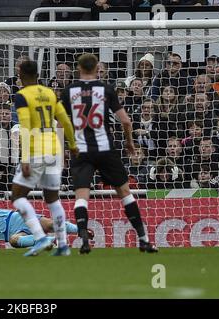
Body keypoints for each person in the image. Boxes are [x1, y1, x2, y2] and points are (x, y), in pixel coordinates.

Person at [59, 53, 158, 254]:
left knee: (81, 197)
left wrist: (62, 154)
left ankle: (84, 239)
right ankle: (144, 240)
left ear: (79, 69)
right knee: (125, 194)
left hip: (81, 150)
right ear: (97, 69)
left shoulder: (69, 91)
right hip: (105, 149)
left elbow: (60, 124)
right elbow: (126, 121)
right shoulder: (106, 89)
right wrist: (129, 142)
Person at [10, 60, 78, 257]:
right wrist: (72, 145)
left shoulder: (22, 95)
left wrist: (24, 158)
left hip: (35, 151)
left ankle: (40, 238)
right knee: (52, 198)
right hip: (54, 150)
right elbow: (64, 120)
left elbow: (24, 124)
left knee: (17, 196)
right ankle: (63, 244)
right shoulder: (49, 93)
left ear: (22, 75)